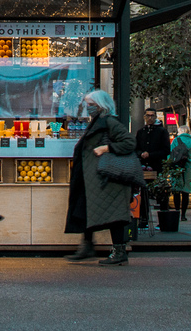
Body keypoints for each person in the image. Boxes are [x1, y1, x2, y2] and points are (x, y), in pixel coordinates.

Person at [65, 90, 136, 265]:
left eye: (91, 105)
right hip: (95, 178)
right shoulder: (98, 121)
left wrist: (106, 149)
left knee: (114, 215)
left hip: (108, 179)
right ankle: (87, 244)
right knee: (85, 208)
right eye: (87, 104)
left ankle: (119, 252)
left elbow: (129, 142)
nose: (87, 108)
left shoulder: (110, 122)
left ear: (101, 106)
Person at [134, 109, 170, 228]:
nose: (150, 118)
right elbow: (136, 148)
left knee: (161, 193)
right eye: (148, 116)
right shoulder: (141, 132)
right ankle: (143, 219)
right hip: (144, 167)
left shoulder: (162, 131)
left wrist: (151, 154)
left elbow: (166, 150)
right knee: (143, 193)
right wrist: (141, 154)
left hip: (157, 166)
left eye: (152, 116)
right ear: (144, 117)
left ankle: (164, 219)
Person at [167, 125, 191, 221]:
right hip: (188, 168)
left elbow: (171, 153)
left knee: (176, 191)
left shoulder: (176, 140)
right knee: (185, 192)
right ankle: (183, 215)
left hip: (177, 167)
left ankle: (177, 211)